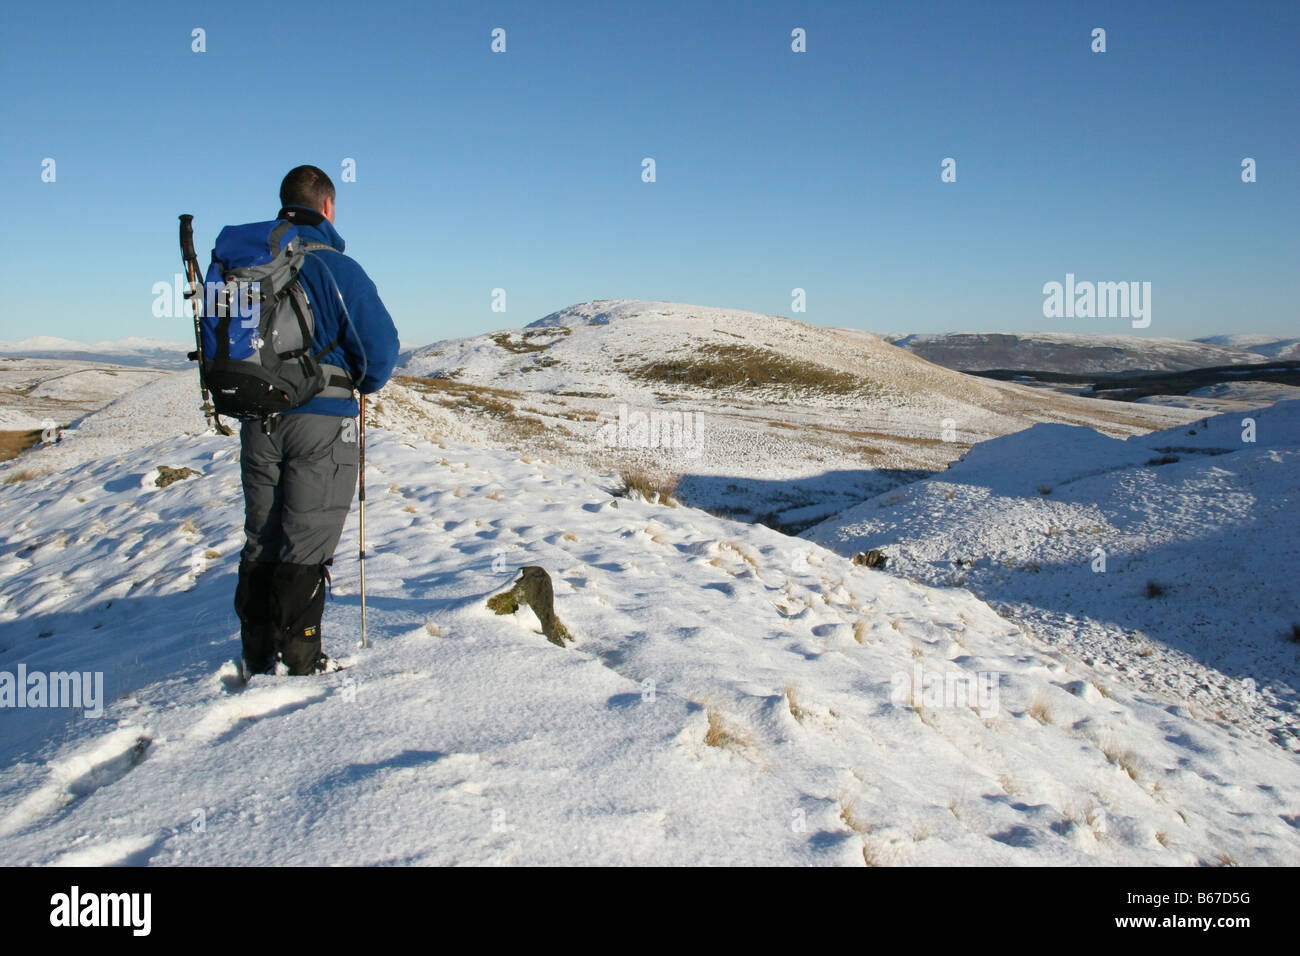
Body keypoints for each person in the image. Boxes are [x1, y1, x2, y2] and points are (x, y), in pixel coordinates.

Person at [234, 165, 399, 676]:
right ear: (327, 207)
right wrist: (358, 385)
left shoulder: (247, 261)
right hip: (321, 422)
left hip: (256, 417)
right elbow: (380, 352)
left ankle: (257, 655)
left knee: (262, 536)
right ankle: (301, 660)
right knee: (305, 539)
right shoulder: (336, 268)